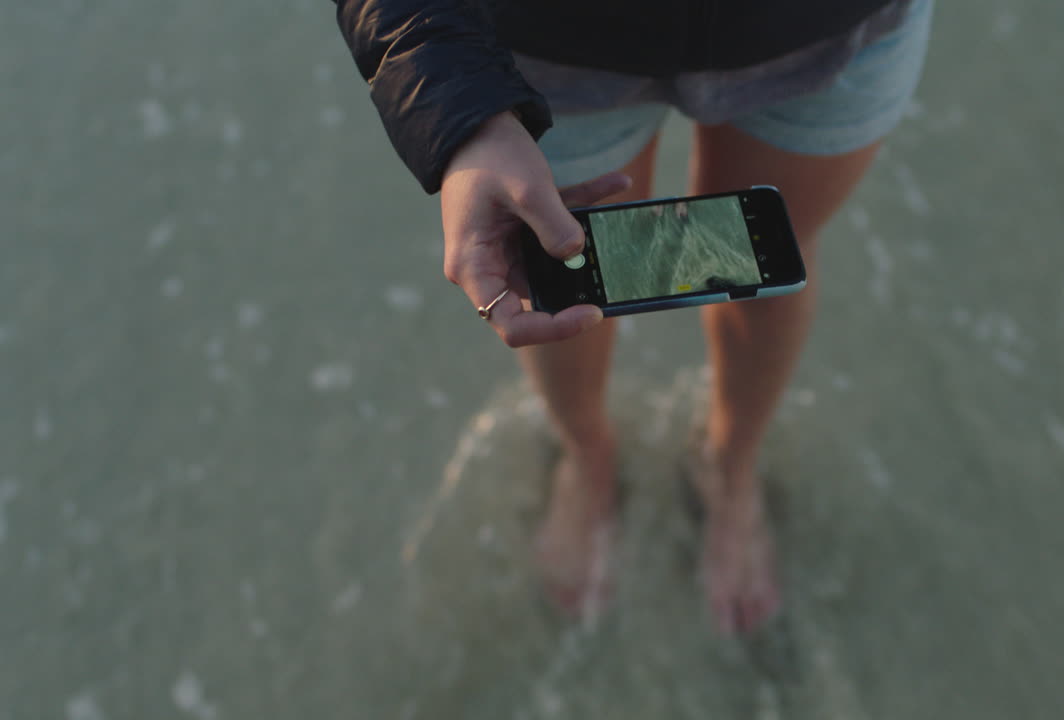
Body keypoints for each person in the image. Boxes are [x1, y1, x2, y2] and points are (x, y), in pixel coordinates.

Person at [334, 0, 933, 634]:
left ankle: (729, 466)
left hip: (830, 24)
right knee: (560, 276)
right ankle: (588, 456)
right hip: (545, 41)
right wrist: (463, 115)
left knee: (764, 262)